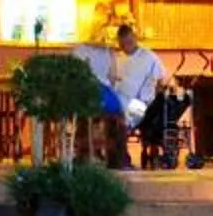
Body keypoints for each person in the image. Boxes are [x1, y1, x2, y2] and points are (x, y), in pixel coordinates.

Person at [70, 22, 168, 169]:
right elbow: (110, 77)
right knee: (92, 115)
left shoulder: (149, 57)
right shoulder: (117, 57)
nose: (126, 45)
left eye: (129, 41)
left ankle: (120, 159)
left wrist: (156, 98)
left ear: (134, 38)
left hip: (140, 102)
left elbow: (162, 79)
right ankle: (90, 154)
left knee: (121, 121)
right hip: (117, 97)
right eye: (122, 43)